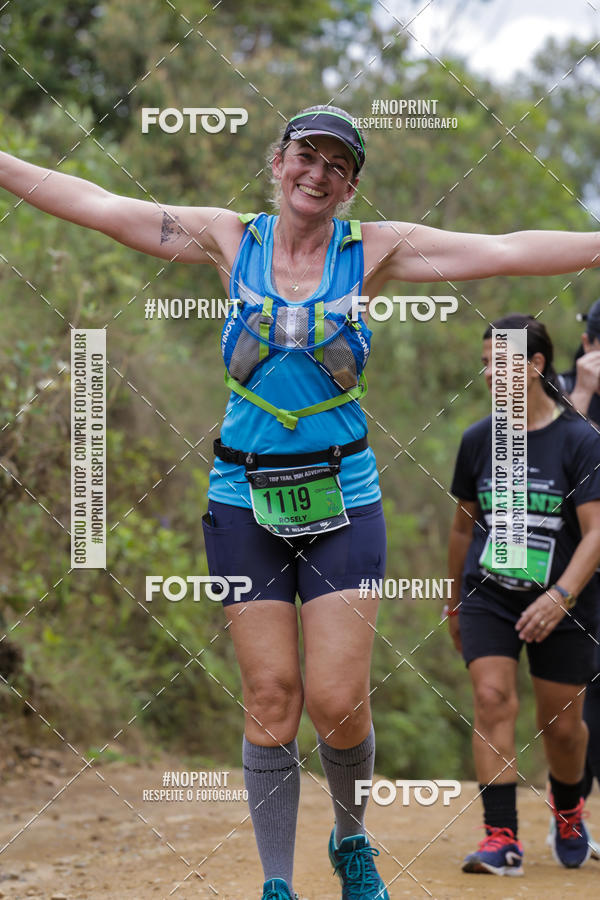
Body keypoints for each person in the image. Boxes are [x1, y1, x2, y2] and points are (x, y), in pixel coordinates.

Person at [3, 106, 600, 900]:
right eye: (305, 157)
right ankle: (277, 883)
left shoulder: (373, 251)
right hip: (243, 498)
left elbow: (504, 252)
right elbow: (102, 207)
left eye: (336, 165)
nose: (317, 173)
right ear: (278, 161)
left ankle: (352, 841)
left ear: (350, 185)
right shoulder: (226, 237)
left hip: (344, 499)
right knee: (272, 697)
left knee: (337, 701)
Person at [447, 314, 600, 877]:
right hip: (490, 593)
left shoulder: (579, 440)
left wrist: (560, 596)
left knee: (561, 726)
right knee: (491, 700)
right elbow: (463, 528)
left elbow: (597, 533)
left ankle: (567, 812)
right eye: (485, 363)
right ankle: (501, 839)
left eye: (501, 363)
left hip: (564, 600)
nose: (489, 375)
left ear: (535, 367)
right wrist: (454, 599)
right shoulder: (476, 440)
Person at [553, 298, 600, 859]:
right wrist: (584, 394)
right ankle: (570, 812)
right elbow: (548, 464)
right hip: (572, 565)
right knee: (577, 703)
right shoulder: (557, 391)